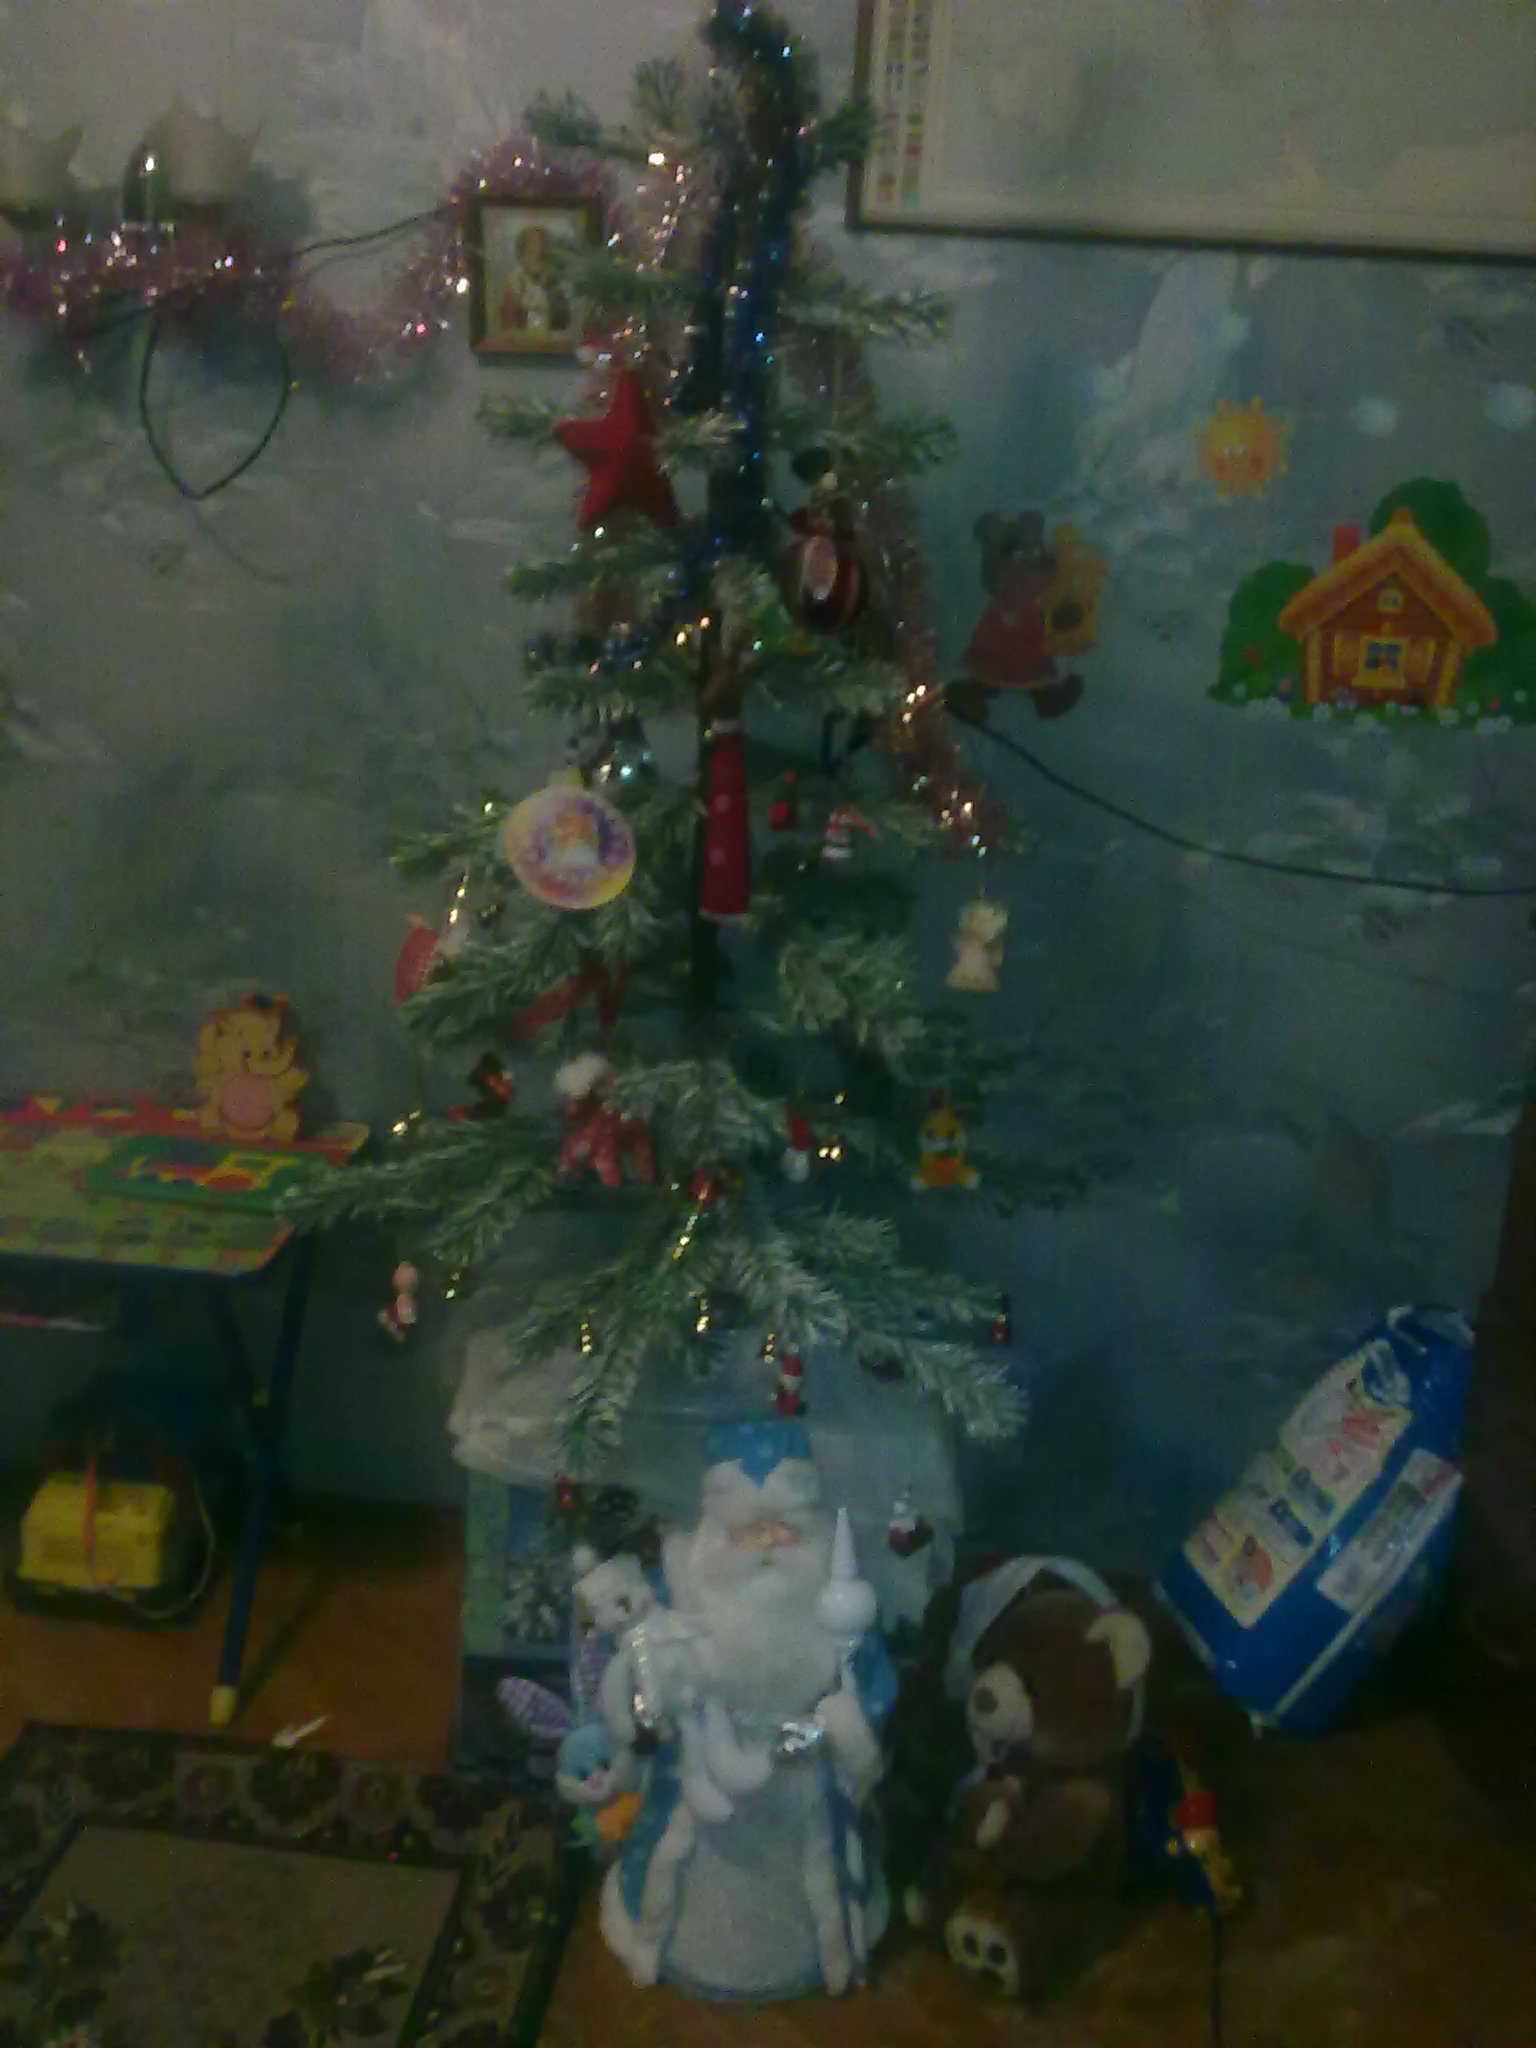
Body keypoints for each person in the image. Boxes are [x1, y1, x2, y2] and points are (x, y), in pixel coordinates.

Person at [498, 223, 572, 341]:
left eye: (540, 246)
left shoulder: (555, 282)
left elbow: (563, 319)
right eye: (530, 249)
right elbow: (507, 320)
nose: (535, 252)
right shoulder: (514, 282)